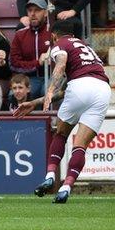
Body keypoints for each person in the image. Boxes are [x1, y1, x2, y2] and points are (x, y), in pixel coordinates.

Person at [13, 19, 111, 204]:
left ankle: (50, 175)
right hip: (103, 89)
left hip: (80, 86)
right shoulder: (86, 48)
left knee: (61, 133)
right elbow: (71, 89)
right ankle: (67, 186)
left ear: (54, 35)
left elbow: (61, 65)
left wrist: (49, 90)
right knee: (80, 146)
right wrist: (35, 102)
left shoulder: (60, 44)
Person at [10, 0, 51, 100]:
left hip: (52, 76)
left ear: (45, 13)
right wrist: (37, 63)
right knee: (13, 95)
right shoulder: (20, 34)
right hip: (29, 79)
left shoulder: (53, 32)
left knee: (47, 92)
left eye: (37, 10)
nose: (33, 14)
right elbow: (14, 64)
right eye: (30, 10)